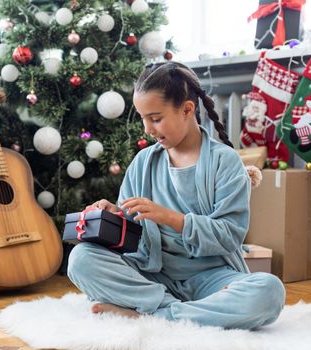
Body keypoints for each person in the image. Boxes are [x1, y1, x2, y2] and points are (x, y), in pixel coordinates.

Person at [67, 61, 285, 330]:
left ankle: (157, 316)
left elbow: (229, 235)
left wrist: (171, 218)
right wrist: (115, 216)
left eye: (156, 118)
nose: (148, 129)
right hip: (152, 277)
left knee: (269, 291)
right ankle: (181, 311)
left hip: (212, 279)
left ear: (187, 110)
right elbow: (132, 234)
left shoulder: (225, 162)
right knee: (81, 259)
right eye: (143, 118)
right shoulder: (143, 162)